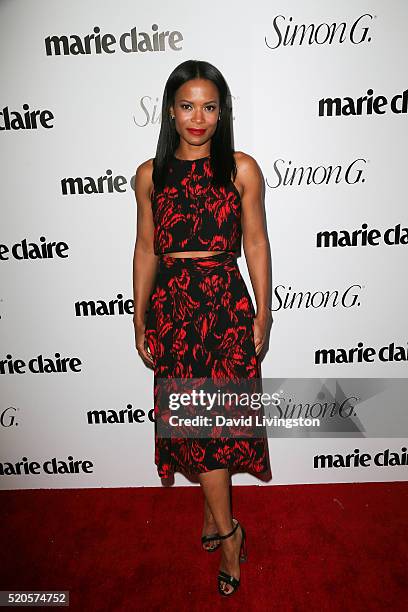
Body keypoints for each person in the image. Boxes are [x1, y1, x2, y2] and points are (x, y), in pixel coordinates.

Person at [132, 59, 273, 596]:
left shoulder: (241, 169)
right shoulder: (151, 174)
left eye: (209, 107)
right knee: (192, 425)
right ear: (171, 110)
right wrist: (139, 313)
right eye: (187, 106)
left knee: (213, 427)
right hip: (172, 307)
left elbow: (255, 243)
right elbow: (147, 248)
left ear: (222, 112)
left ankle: (228, 533)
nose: (198, 118)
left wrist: (263, 310)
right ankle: (221, 522)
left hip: (223, 306)